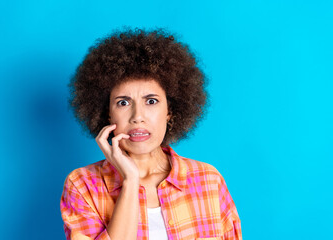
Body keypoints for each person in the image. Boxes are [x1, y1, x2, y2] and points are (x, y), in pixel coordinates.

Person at [60, 28, 242, 240]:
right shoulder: (83, 186)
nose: (138, 116)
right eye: (123, 102)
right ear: (108, 115)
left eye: (151, 101)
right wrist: (130, 180)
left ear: (170, 111)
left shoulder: (208, 180)